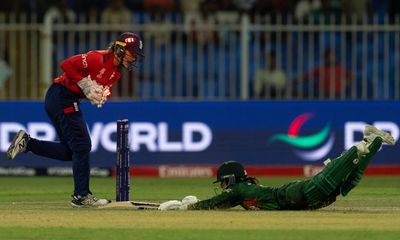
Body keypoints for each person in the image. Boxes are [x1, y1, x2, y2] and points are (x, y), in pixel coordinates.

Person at [6, 32, 144, 208]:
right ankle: (81, 195)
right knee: (82, 145)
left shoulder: (116, 74)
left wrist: (100, 94)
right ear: (119, 49)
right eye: (132, 53)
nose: (133, 59)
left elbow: (100, 88)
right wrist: (84, 83)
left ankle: (27, 143)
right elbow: (66, 64)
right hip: (60, 95)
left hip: (66, 99)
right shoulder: (98, 58)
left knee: (71, 152)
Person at [158, 125, 395, 211]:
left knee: (327, 181)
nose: (222, 187)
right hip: (304, 201)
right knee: (348, 182)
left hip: (296, 195)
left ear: (230, 179)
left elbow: (215, 204)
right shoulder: (244, 192)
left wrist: (187, 207)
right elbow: (222, 203)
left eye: (223, 182)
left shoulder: (239, 190)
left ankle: (359, 147)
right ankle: (374, 141)